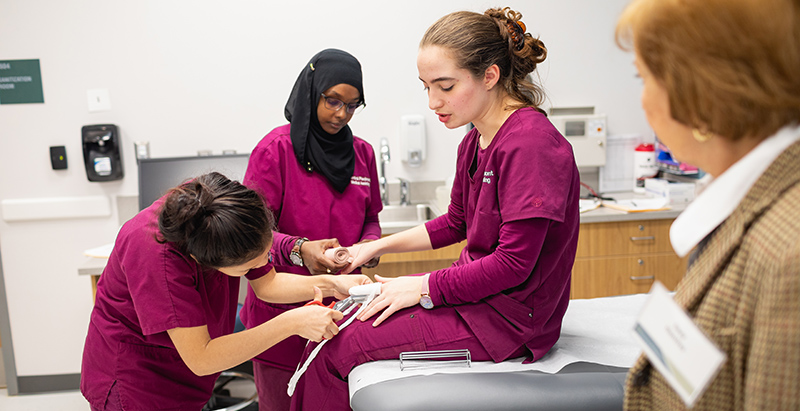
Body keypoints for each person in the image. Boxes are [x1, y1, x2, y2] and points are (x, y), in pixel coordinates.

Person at [289, 7, 580, 410]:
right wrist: (374, 249)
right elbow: (456, 223)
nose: (432, 101)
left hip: (510, 323)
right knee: (332, 319)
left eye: (444, 86)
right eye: (426, 86)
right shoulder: (474, 140)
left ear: (490, 76)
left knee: (337, 345)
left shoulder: (530, 144)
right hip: (478, 299)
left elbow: (515, 264)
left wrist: (423, 286)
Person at [615, 0, 800, 409]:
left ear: (700, 94)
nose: (643, 102)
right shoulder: (747, 207)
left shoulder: (789, 256)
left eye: (643, 79)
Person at [80, 172, 370, 411]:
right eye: (247, 269)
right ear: (208, 260)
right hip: (136, 384)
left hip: (187, 379)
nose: (259, 267)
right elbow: (201, 358)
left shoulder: (212, 213)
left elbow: (268, 285)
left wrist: (335, 284)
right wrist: (293, 323)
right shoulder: (155, 255)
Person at [240, 48, 382, 410]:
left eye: (352, 106)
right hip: (282, 312)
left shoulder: (362, 154)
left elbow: (371, 218)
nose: (341, 114)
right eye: (332, 101)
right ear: (311, 92)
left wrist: (366, 247)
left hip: (346, 309)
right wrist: (302, 249)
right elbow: (251, 233)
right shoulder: (275, 151)